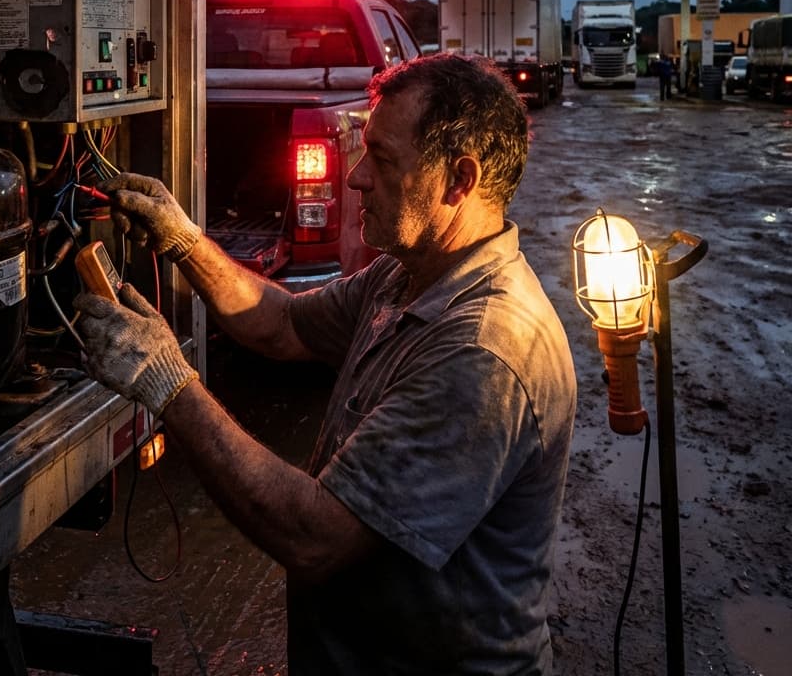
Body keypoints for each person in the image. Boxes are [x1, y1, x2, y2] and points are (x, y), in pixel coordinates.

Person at [75, 54, 577, 675]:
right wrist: (183, 239)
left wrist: (167, 381)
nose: (357, 178)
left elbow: (314, 537)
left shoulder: (482, 352)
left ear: (459, 179)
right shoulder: (407, 275)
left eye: (383, 159)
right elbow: (282, 322)